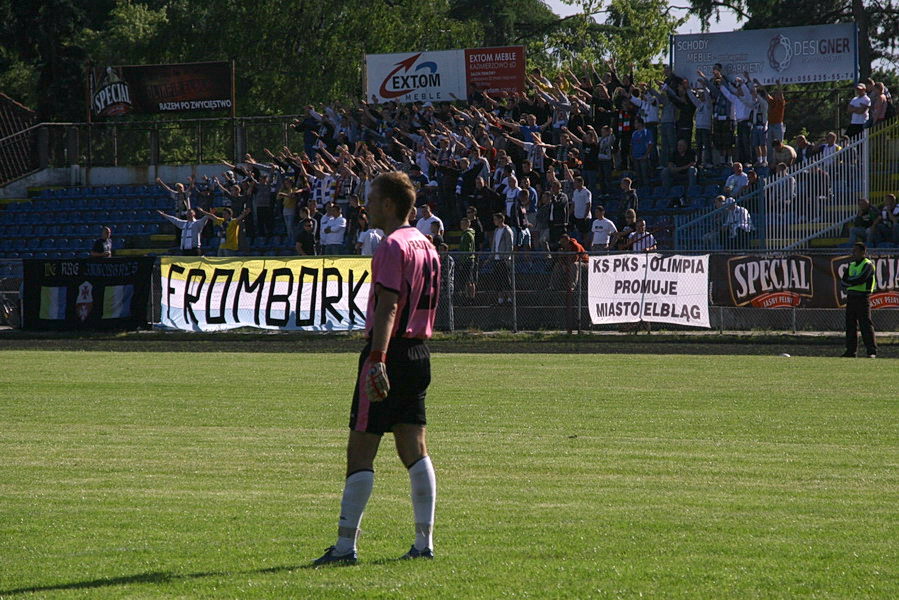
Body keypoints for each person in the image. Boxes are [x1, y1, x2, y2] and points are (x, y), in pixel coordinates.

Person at [314, 171, 440, 566]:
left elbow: (388, 307)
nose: (366, 204)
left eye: (371, 197)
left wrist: (378, 359)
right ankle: (424, 543)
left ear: (388, 204)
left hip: (390, 351)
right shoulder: (427, 245)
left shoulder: (391, 245)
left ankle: (345, 547)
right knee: (414, 448)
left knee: (361, 449)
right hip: (420, 353)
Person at [840, 242, 877, 358]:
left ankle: (871, 351)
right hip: (851, 297)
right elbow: (843, 281)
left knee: (865, 324)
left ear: (863, 252)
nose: (853, 253)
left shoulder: (868, 265)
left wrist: (850, 281)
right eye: (853, 251)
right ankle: (851, 351)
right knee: (850, 324)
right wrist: (851, 281)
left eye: (855, 251)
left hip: (862, 297)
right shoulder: (851, 265)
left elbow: (861, 279)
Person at [492, 212, 514, 304]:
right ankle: (500, 300)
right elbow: (494, 244)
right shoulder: (496, 230)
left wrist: (506, 257)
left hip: (504, 260)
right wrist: (491, 256)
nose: (494, 221)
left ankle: (509, 299)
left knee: (506, 280)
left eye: (496, 219)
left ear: (501, 219)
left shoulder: (507, 230)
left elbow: (510, 245)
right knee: (498, 281)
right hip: (497, 259)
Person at [457, 216, 478, 301]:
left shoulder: (468, 234)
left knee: (469, 279)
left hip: (467, 260)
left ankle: (471, 297)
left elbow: (468, 249)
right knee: (467, 279)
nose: (461, 225)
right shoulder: (464, 233)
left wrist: (464, 260)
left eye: (463, 224)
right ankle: (467, 296)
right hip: (465, 259)